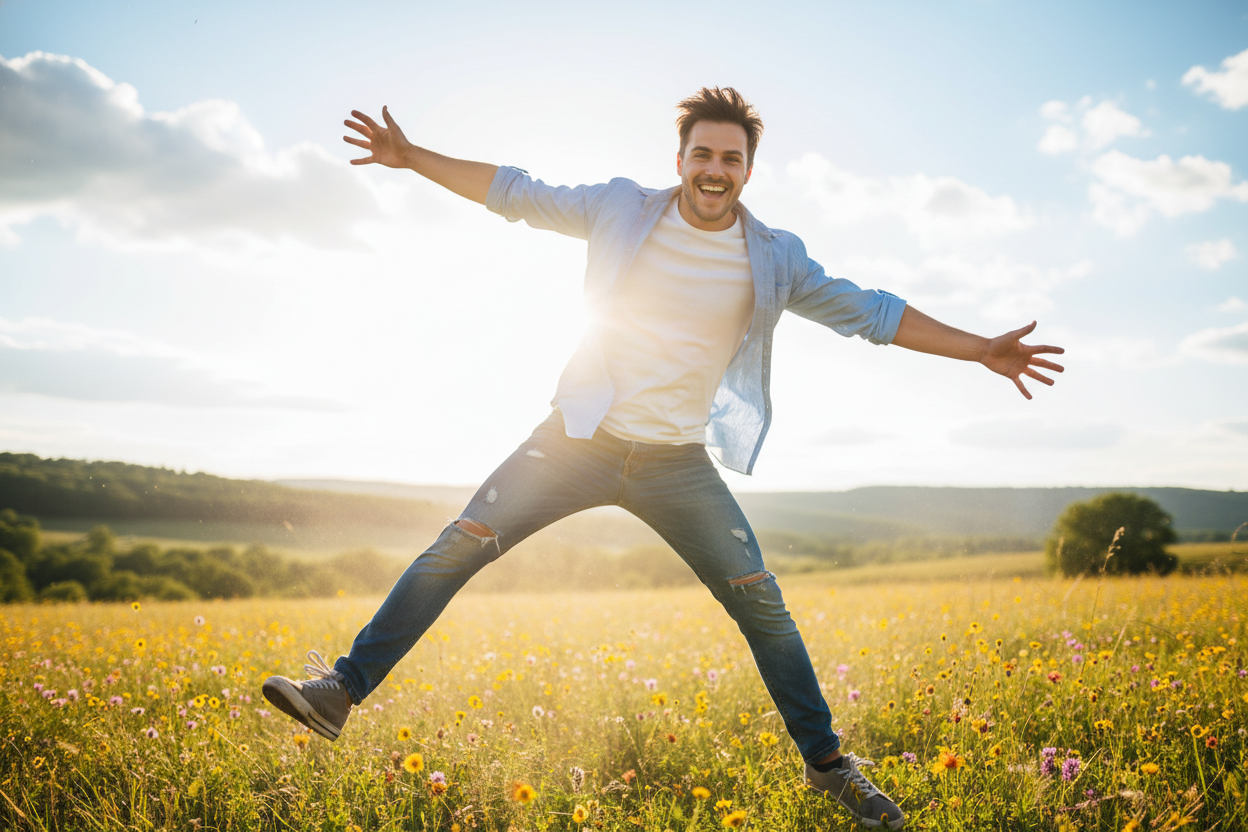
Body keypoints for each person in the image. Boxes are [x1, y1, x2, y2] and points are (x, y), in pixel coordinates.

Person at [263, 87, 1064, 829]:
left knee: (765, 608)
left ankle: (829, 767)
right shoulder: (619, 209)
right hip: (575, 439)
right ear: (679, 159)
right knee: (459, 544)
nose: (715, 171)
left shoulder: (776, 257)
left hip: (677, 463)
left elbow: (873, 313)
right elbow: (515, 191)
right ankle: (340, 690)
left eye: (732, 159)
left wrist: (978, 349)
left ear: (749, 170)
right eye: (703, 155)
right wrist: (415, 157)